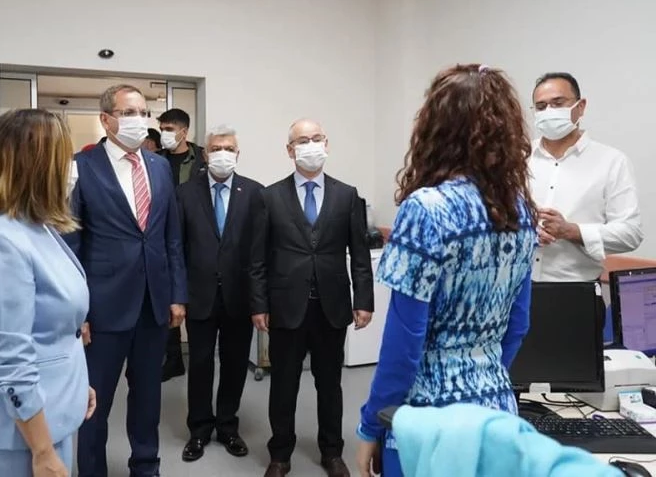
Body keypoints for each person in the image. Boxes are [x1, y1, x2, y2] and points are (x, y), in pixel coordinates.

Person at [354, 64, 538, 477]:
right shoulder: (520, 211)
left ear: (435, 128)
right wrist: (482, 374)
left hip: (428, 421)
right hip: (496, 412)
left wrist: (371, 424)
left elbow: (404, 346)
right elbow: (518, 324)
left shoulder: (425, 210)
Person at [0, 109, 95, 477]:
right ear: (37, 166)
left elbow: (54, 332)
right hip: (19, 439)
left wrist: (76, 386)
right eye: (64, 158)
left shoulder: (35, 227)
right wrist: (43, 451)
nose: (72, 169)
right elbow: (10, 359)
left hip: (51, 414)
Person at [69, 84, 188, 477]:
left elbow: (171, 237)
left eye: (142, 112)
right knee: (94, 402)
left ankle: (146, 466)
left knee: (148, 398)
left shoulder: (159, 167)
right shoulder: (81, 167)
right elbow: (71, 245)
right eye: (129, 113)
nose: (139, 120)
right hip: (103, 308)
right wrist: (78, 312)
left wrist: (177, 294)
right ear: (106, 119)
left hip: (153, 304)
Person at [250, 119, 374, 477]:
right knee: (283, 384)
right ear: (290, 150)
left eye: (316, 138)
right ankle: (280, 454)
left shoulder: (347, 195)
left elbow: (360, 254)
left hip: (331, 307)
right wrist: (259, 304)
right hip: (285, 307)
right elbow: (257, 258)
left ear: (327, 144)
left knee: (330, 384)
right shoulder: (269, 197)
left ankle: (332, 452)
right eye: (302, 140)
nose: (310, 145)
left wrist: (363, 299)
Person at [176, 125, 263, 463]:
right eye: (216, 148)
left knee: (235, 364)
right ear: (205, 154)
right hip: (199, 295)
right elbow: (176, 248)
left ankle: (227, 426)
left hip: (239, 297)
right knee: (199, 364)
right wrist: (178, 295)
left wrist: (260, 300)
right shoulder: (185, 193)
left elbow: (260, 252)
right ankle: (199, 429)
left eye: (228, 148)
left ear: (237, 154)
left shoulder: (254, 193)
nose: (222, 154)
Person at [528, 72, 642, 283]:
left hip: (576, 288)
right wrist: (524, 228)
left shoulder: (612, 162)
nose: (549, 111)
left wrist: (572, 231)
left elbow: (630, 234)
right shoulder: (518, 157)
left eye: (558, 103)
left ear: (580, 107)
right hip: (515, 288)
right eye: (541, 107)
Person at [157, 107, 206, 381]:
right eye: (162, 129)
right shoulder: (156, 160)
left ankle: (198, 355)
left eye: (169, 129)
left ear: (183, 131)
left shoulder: (203, 159)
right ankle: (173, 358)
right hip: (167, 238)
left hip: (197, 238)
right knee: (170, 301)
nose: (164, 134)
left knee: (197, 302)